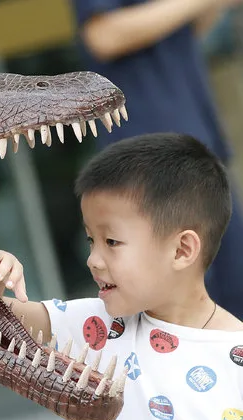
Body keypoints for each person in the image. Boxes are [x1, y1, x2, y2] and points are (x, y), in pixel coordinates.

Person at [0, 133, 243, 420]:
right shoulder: (99, 326)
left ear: (182, 250)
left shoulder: (235, 357)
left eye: (111, 241)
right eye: (91, 240)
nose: (93, 260)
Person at [71, 0, 243, 319]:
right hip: (151, 169)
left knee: (231, 294)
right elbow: (103, 36)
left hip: (199, 153)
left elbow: (183, 31)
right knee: (184, 316)